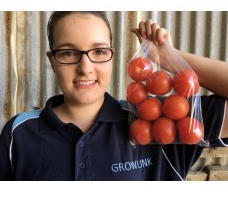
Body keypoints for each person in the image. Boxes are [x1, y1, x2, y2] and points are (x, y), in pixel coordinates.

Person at [0, 11, 227, 181]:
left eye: (99, 51)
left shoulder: (157, 123)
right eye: (68, 53)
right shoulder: (19, 133)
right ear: (52, 60)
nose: (85, 67)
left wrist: (172, 58)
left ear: (111, 57)